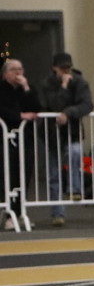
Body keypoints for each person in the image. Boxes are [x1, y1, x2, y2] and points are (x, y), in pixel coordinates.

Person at [39, 52, 93, 226]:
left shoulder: (80, 81)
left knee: (75, 152)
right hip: (51, 133)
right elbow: (53, 104)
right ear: (54, 68)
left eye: (68, 68)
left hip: (72, 131)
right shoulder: (47, 84)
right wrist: (63, 87)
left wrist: (68, 113)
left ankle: (74, 188)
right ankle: (58, 213)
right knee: (54, 174)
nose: (66, 71)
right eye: (62, 68)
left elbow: (87, 104)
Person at [0, 58, 41, 231]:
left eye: (20, 69)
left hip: (26, 138)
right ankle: (9, 214)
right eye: (14, 69)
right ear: (5, 74)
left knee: (24, 176)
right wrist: (19, 116)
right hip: (5, 138)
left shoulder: (28, 88)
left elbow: (36, 107)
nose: (18, 73)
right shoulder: (2, 89)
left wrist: (26, 88)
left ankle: (20, 212)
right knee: (8, 176)